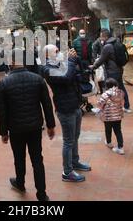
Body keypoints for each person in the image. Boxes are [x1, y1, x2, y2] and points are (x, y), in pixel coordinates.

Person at [0, 48, 56, 201]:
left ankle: (20, 182)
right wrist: (51, 125)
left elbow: (1, 111)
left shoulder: (3, 84)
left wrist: (3, 132)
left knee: (19, 157)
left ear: (11, 61)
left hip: (15, 129)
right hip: (35, 126)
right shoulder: (37, 79)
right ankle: (42, 194)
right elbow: (47, 104)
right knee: (37, 160)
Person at [42, 44, 90, 183]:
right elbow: (66, 77)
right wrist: (70, 60)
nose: (58, 53)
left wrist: (75, 57)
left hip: (75, 104)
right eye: (55, 52)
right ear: (46, 56)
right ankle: (67, 171)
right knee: (69, 141)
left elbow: (78, 72)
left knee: (76, 136)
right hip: (65, 108)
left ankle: (75, 162)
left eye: (58, 50)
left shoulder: (61, 63)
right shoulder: (47, 69)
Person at [90, 29, 132, 113]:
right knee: (121, 88)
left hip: (111, 71)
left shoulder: (107, 46)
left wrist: (93, 66)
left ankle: (100, 108)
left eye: (101, 37)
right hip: (119, 69)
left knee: (107, 89)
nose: (100, 39)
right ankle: (127, 106)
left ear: (105, 37)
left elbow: (101, 59)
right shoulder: (117, 42)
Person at [97, 78, 125, 155]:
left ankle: (109, 143)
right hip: (118, 116)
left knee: (108, 129)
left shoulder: (105, 94)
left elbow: (100, 104)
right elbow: (122, 103)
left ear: (106, 86)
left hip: (108, 116)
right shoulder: (121, 92)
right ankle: (120, 148)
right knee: (118, 131)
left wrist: (100, 108)